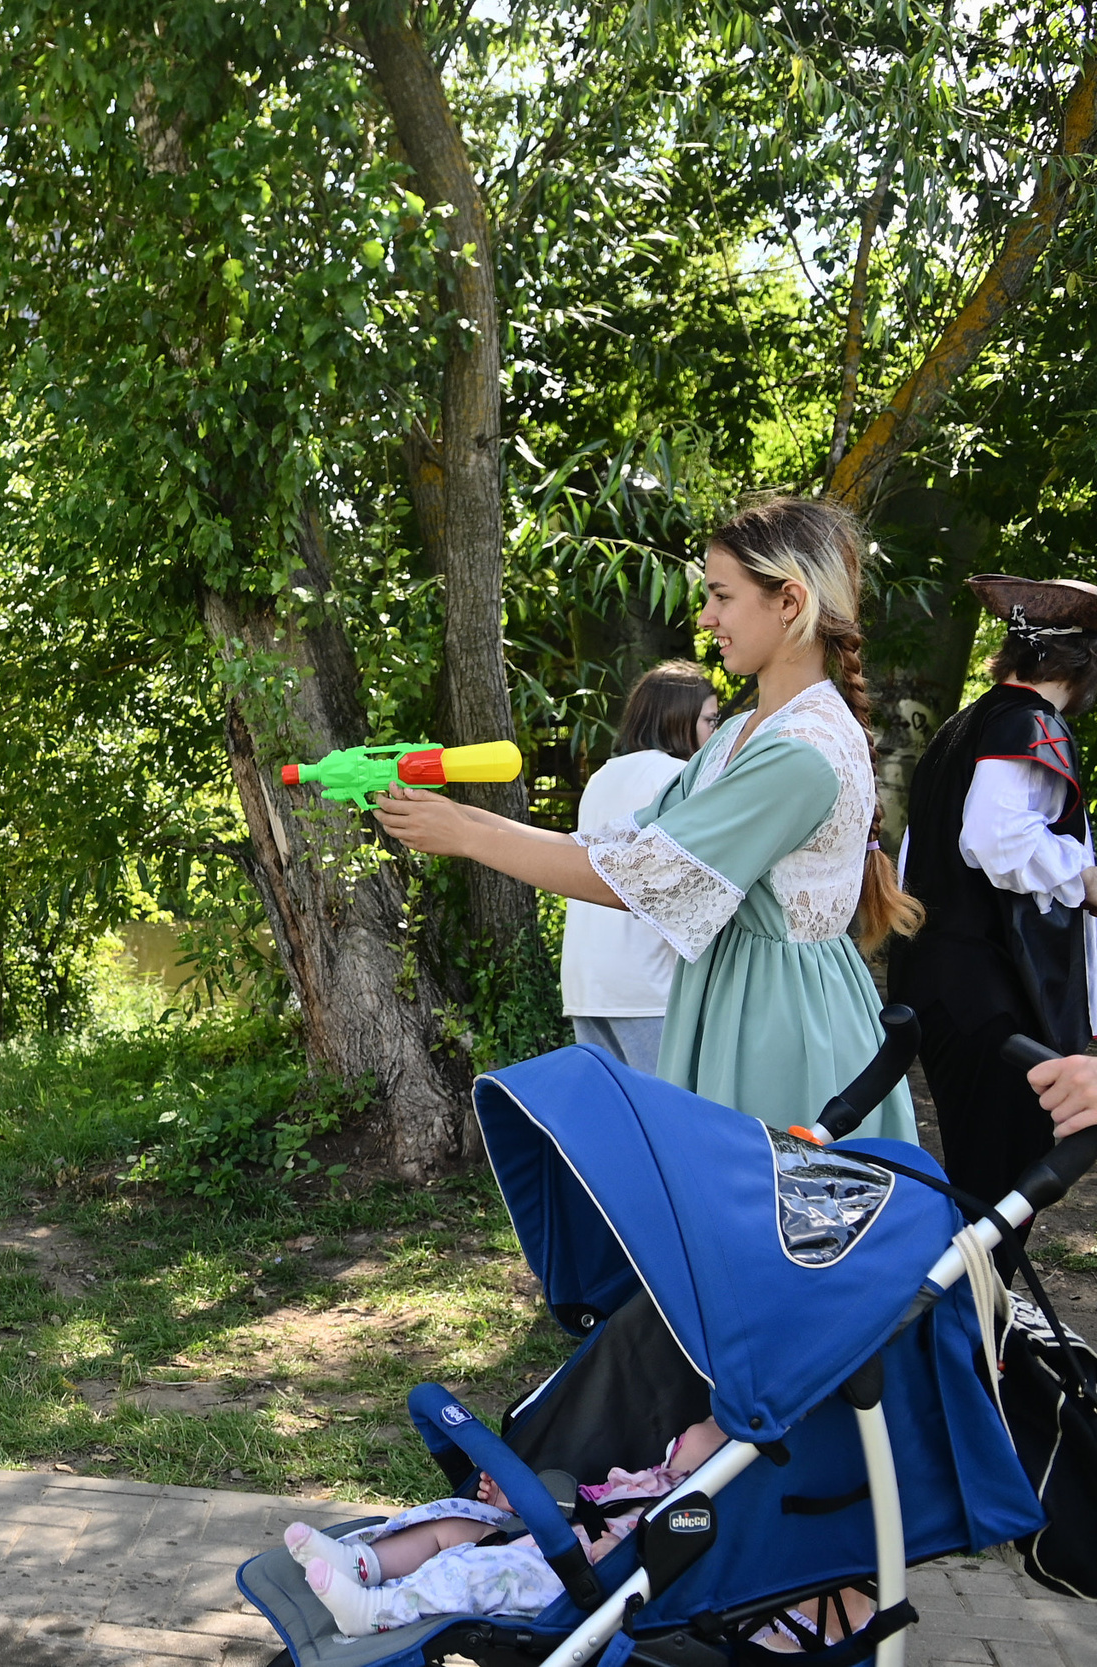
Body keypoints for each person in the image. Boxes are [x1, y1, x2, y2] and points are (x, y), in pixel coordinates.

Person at [374, 496, 926, 1139]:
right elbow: (624, 845)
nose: (706, 616)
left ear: (789, 602)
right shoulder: (741, 732)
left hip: (781, 1018)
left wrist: (467, 836)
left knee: (772, 1212)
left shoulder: (800, 753)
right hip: (738, 995)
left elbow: (637, 879)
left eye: (722, 596)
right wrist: (462, 819)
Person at [890, 575, 1097, 1224]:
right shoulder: (1031, 722)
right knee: (997, 1203)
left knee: (984, 1193)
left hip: (941, 986)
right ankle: (958, 1326)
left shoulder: (966, 724)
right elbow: (995, 837)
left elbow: (918, 856)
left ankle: (962, 1321)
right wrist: (1088, 878)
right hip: (987, 999)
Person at [285, 1420, 730, 1635]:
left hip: (574, 1577)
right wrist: (517, 1503)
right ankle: (363, 1562)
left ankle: (376, 1613)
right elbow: (582, 1501)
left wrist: (616, 1552)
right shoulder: (654, 1481)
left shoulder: (695, 1518)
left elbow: (658, 1561)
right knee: (453, 1520)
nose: (707, 1423)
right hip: (551, 1532)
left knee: (476, 1573)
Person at [561, 663, 719, 1075]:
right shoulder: (680, 777)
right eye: (709, 720)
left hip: (586, 979)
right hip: (647, 983)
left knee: (620, 1120)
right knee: (668, 1120)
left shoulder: (602, 776)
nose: (714, 734)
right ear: (678, 717)